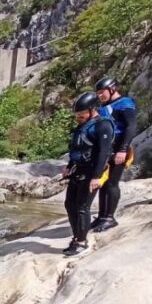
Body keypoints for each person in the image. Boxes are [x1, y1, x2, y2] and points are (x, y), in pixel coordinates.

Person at [63, 92, 114, 256]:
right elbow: (76, 148)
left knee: (82, 207)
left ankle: (81, 242)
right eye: (77, 114)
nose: (78, 117)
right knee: (70, 205)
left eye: (82, 113)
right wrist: (69, 166)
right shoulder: (83, 125)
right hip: (78, 169)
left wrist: (97, 176)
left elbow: (103, 153)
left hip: (92, 171)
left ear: (93, 110)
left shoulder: (103, 125)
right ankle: (77, 236)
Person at [93, 77, 138, 231]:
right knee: (103, 183)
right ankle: (101, 216)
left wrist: (123, 149)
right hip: (107, 148)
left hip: (119, 147)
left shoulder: (125, 104)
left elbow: (131, 127)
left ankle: (110, 217)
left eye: (102, 92)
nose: (100, 95)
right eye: (98, 93)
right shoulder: (105, 106)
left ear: (112, 89)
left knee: (112, 183)